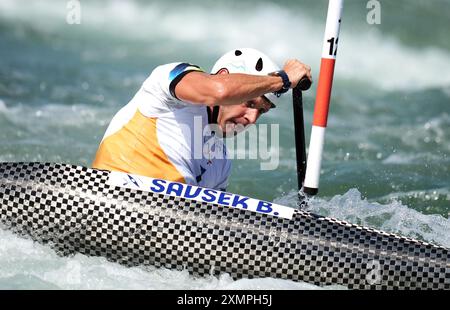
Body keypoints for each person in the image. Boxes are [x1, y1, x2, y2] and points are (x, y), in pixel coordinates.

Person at [92, 48, 311, 190]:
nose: (252, 119)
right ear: (224, 75)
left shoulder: (220, 162)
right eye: (250, 103)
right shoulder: (168, 86)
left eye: (262, 111)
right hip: (106, 200)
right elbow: (218, 90)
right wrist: (281, 80)